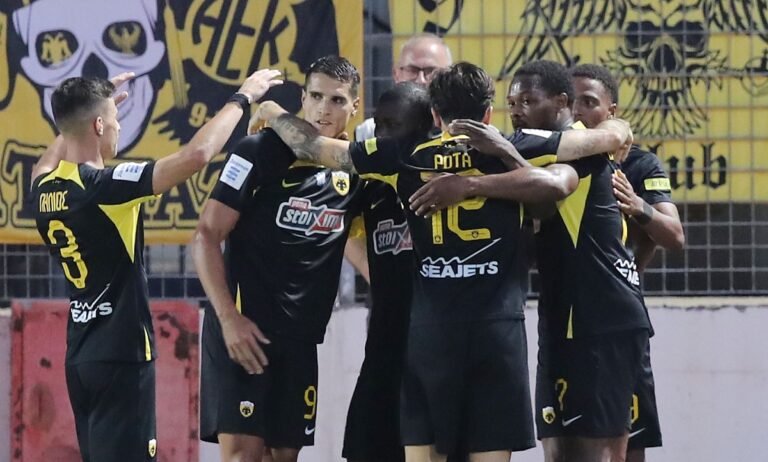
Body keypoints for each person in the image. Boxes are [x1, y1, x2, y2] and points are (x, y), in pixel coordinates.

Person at [254, 61, 634, 462]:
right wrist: (619, 127)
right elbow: (591, 143)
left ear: (435, 114)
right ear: (488, 113)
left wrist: (271, 111)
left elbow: (312, 147)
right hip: (497, 330)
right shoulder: (516, 145)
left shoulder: (404, 154)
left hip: (431, 332)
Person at [30, 69, 282, 461]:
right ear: (98, 125)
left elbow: (48, 158)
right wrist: (242, 98)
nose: (118, 126)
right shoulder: (104, 187)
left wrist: (86, 111)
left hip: (80, 356)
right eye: (114, 119)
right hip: (122, 355)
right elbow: (196, 156)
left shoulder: (43, 189)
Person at [409, 59, 650, 462]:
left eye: (528, 101)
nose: (518, 111)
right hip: (562, 317)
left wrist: (470, 182)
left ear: (561, 103)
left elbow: (553, 188)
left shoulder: (575, 148)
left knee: (600, 452)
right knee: (560, 451)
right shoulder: (533, 150)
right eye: (512, 103)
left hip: (598, 318)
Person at [192, 55, 364, 462]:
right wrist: (228, 319)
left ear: (355, 106)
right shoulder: (258, 150)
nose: (324, 109)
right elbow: (206, 235)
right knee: (244, 456)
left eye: (337, 100)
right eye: (316, 96)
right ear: (302, 97)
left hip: (301, 339)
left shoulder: (355, 169)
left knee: (285, 457)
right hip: (245, 329)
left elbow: (354, 244)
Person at [571, 63, 685, 462]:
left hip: (617, 320)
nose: (579, 112)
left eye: (589, 102)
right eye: (572, 103)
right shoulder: (553, 161)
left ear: (612, 112)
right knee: (566, 444)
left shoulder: (639, 165)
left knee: (627, 444)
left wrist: (637, 206)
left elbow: (674, 236)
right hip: (566, 320)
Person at [342, 82, 434, 462]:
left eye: (392, 125)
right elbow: (335, 227)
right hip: (384, 350)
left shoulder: (443, 182)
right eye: (378, 124)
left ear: (425, 126)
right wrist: (371, 272)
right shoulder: (371, 188)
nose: (381, 134)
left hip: (435, 350)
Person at [354, 33, 452, 140]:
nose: (421, 80)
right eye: (412, 70)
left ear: (449, 77)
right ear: (396, 74)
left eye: (431, 71)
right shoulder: (370, 133)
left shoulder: (461, 134)